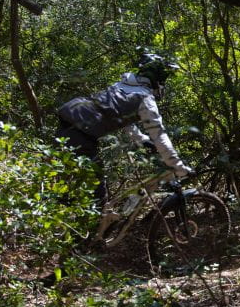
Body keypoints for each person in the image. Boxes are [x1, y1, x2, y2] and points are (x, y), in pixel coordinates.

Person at [54, 51, 193, 204]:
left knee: (73, 185)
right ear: (158, 79)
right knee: (97, 195)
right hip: (82, 134)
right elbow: (160, 137)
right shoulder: (145, 99)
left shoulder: (121, 86)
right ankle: (93, 224)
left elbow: (121, 117)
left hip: (68, 122)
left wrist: (141, 139)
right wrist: (179, 168)